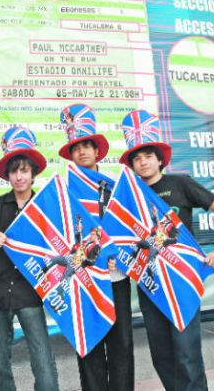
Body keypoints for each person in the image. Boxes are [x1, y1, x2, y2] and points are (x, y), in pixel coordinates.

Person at [120, 109, 214, 391]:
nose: (142, 161)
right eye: (136, 157)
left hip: (182, 284)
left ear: (160, 159)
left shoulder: (180, 183)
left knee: (187, 354)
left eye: (147, 156)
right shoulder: (131, 196)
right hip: (150, 284)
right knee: (162, 355)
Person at [57, 103, 134, 391]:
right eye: (76, 147)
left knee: (122, 341)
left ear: (97, 150)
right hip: (84, 276)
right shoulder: (64, 191)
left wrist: (122, 258)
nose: (82, 151)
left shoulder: (117, 186)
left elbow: (130, 228)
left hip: (116, 275)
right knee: (88, 340)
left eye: (87, 145)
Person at [0, 127, 60, 391]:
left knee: (43, 363)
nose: (19, 176)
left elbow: (55, 250)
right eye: (14, 171)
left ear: (33, 174)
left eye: (24, 170)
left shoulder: (44, 209)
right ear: (8, 175)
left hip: (30, 294)